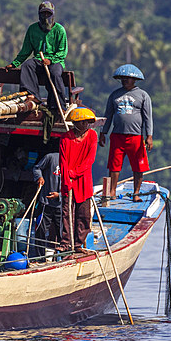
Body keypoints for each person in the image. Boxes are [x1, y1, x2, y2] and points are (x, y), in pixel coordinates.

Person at [98, 64, 153, 202]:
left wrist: (149, 136)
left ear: (134, 80)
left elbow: (148, 118)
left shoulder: (143, 95)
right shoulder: (115, 95)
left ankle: (136, 193)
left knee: (139, 165)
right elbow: (108, 115)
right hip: (117, 135)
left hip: (136, 136)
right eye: (123, 78)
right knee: (114, 165)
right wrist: (103, 133)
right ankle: (112, 191)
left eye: (128, 78)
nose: (125, 81)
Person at [6, 0, 68, 116]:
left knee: (55, 74)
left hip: (55, 61)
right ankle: (33, 95)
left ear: (53, 15)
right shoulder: (32, 29)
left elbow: (62, 52)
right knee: (27, 65)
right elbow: (26, 50)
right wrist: (14, 63)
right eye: (43, 14)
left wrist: (51, 61)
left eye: (48, 14)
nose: (46, 17)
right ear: (39, 15)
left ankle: (59, 105)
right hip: (39, 60)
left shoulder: (59, 30)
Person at [60, 107, 98, 255]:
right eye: (82, 122)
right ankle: (65, 243)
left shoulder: (92, 136)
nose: (85, 125)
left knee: (83, 214)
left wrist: (75, 173)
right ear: (75, 123)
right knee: (67, 213)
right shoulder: (66, 138)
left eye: (87, 122)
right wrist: (67, 178)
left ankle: (78, 243)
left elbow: (90, 160)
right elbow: (63, 161)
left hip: (83, 180)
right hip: (68, 180)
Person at [32, 151, 61, 258]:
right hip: (46, 203)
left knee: (63, 234)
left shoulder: (73, 161)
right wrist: (39, 177)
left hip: (62, 206)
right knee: (40, 232)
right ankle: (39, 258)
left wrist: (60, 195)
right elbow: (37, 168)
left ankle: (64, 257)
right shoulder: (51, 157)